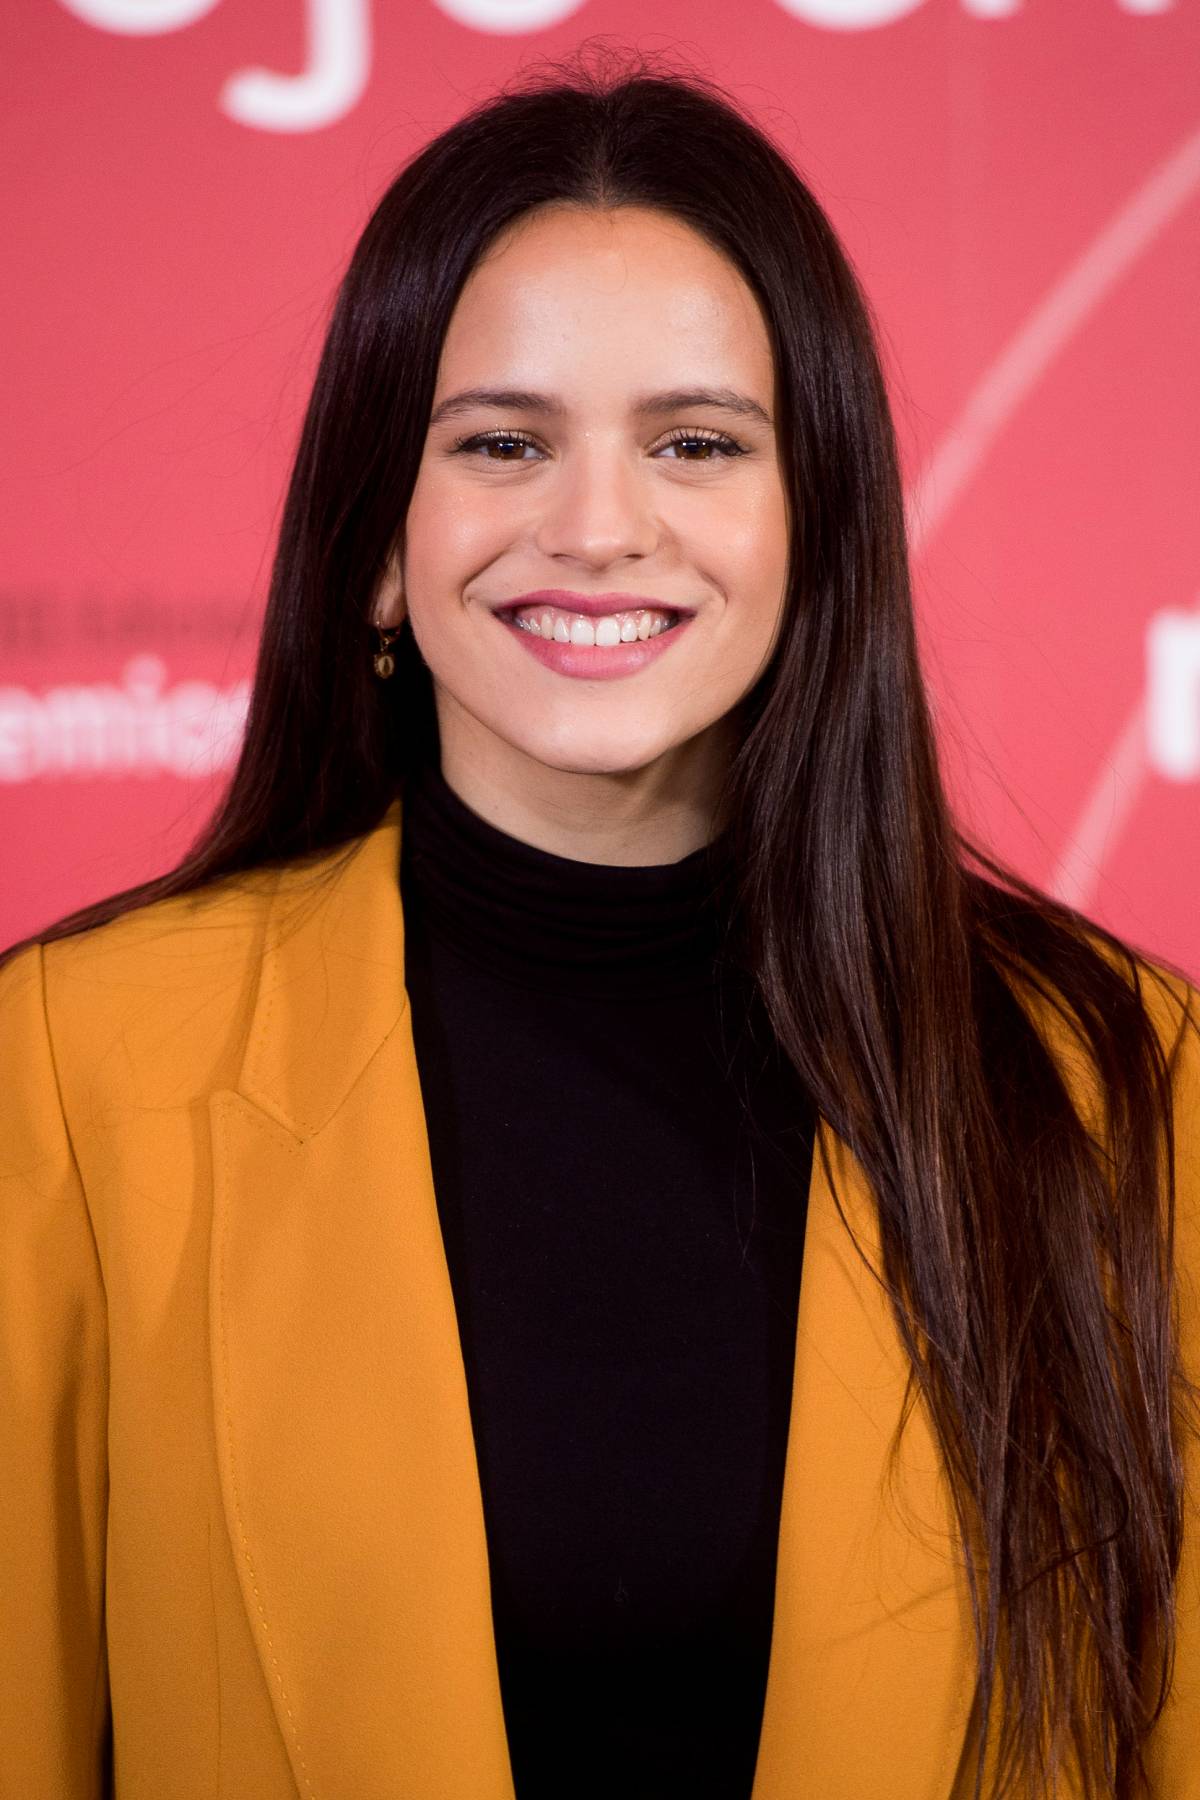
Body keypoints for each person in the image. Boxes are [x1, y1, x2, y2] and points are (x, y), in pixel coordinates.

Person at [1, 47, 1197, 1800]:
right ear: (380, 546)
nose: (598, 527)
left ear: (819, 529)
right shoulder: (73, 1076)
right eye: (503, 442)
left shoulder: (1118, 1080)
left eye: (697, 443)